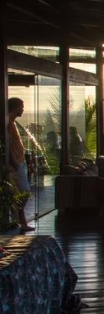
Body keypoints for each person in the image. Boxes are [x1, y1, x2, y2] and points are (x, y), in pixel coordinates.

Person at [7, 98, 34, 232]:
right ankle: (20, 222)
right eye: (21, 107)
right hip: (15, 164)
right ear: (15, 107)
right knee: (24, 192)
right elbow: (7, 146)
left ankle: (20, 222)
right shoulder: (7, 123)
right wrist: (14, 163)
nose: (23, 109)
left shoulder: (11, 123)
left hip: (19, 162)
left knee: (20, 193)